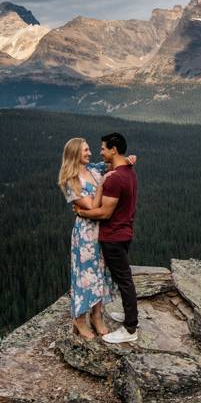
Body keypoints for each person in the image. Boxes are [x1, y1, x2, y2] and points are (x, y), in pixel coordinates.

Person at [56, 137, 134, 340]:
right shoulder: (70, 180)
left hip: (103, 230)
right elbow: (91, 206)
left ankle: (97, 316)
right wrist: (101, 187)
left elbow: (116, 162)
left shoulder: (94, 169)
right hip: (86, 234)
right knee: (84, 276)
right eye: (85, 150)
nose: (90, 153)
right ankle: (80, 320)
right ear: (74, 154)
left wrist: (130, 159)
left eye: (90, 149)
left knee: (100, 274)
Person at [76, 131, 139, 344]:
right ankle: (129, 317)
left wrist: (82, 213)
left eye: (103, 148)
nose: (100, 152)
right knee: (123, 279)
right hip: (125, 232)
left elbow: (104, 213)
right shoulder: (128, 171)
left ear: (113, 149)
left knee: (124, 280)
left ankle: (130, 328)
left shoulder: (115, 179)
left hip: (113, 236)